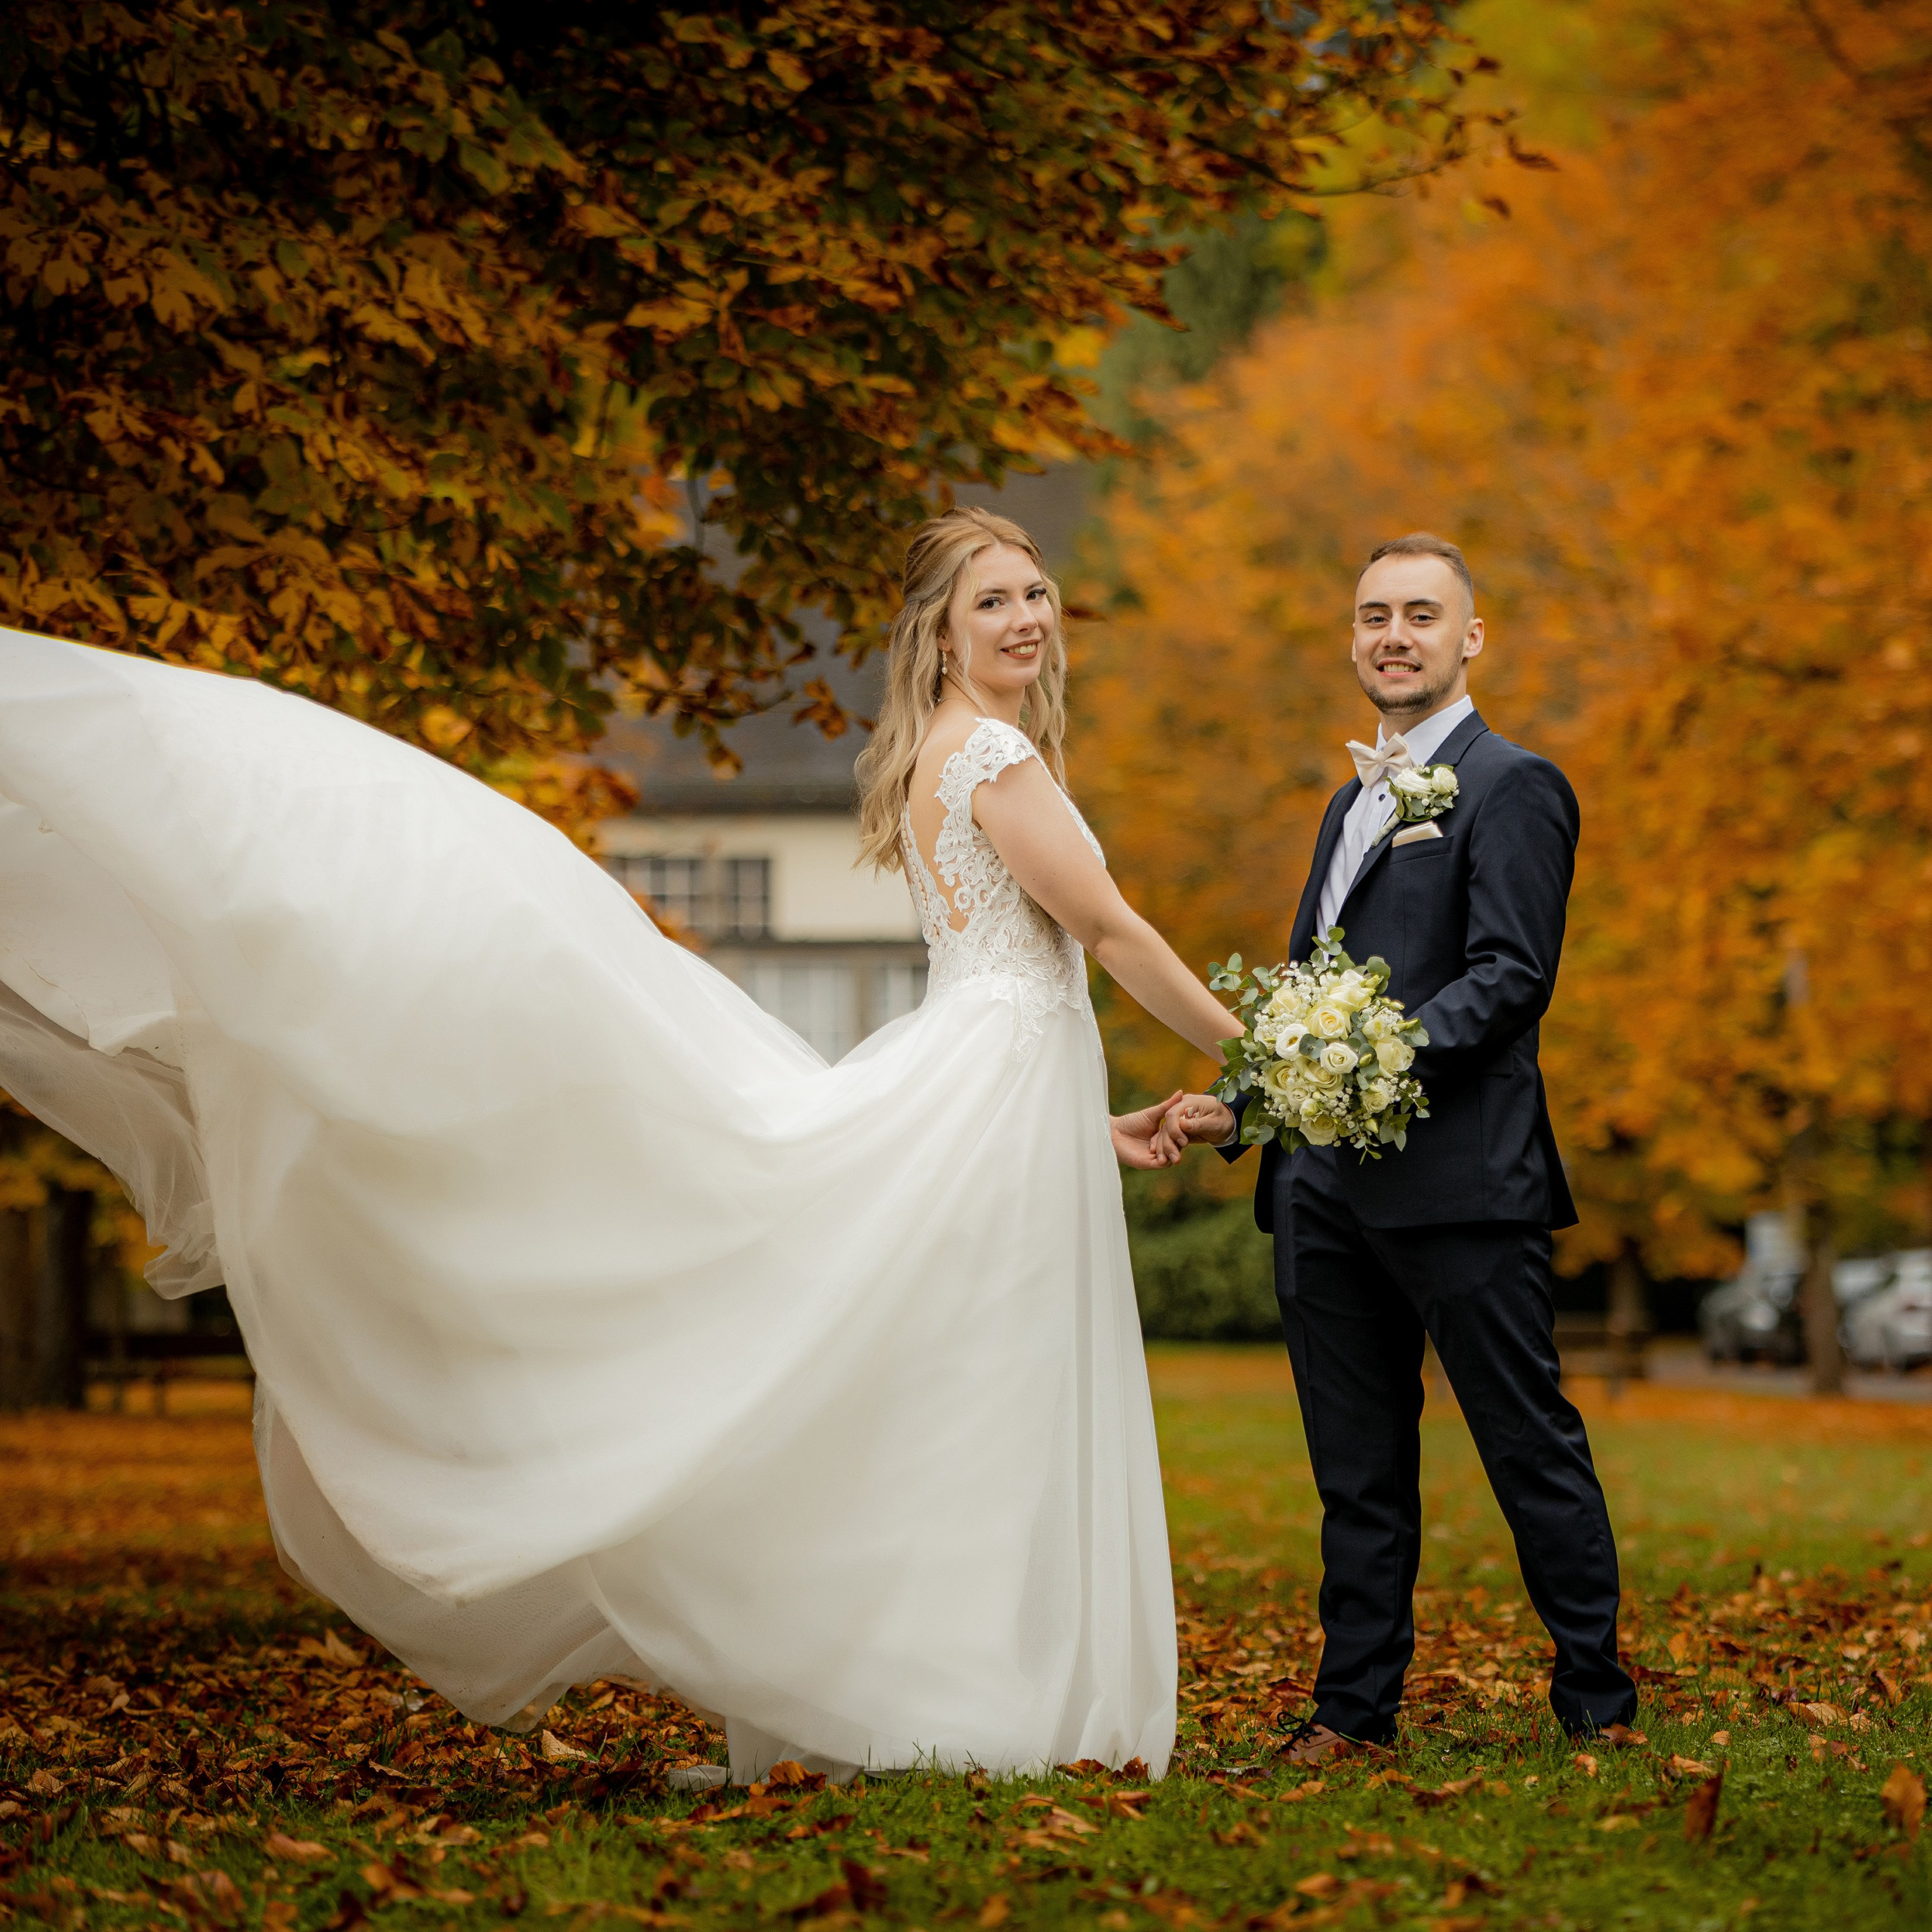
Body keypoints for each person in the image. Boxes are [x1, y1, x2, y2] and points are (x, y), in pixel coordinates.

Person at [0, 507, 1235, 1784]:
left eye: (1036, 593)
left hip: (988, 1091)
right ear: (938, 633)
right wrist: (1254, 1050)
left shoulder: (945, 750)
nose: (1027, 617)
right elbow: (1112, 933)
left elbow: (1002, 999)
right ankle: (962, 1699)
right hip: (985, 1076)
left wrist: (1087, 1129)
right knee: (970, 1397)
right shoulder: (989, 756)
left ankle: (931, 1691)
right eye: (993, 601)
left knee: (959, 1396)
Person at [1158, 533, 1638, 1761]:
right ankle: (1352, 1716)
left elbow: (1509, 980)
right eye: (1374, 614)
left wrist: (1358, 1063)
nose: (1394, 635)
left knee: (1528, 1448)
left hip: (1463, 1184)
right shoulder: (1346, 800)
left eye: (1422, 615)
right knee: (1356, 1476)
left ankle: (1596, 1704)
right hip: (1319, 1189)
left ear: (1471, 638)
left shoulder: (1514, 784)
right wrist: (1252, 1098)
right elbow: (1314, 987)